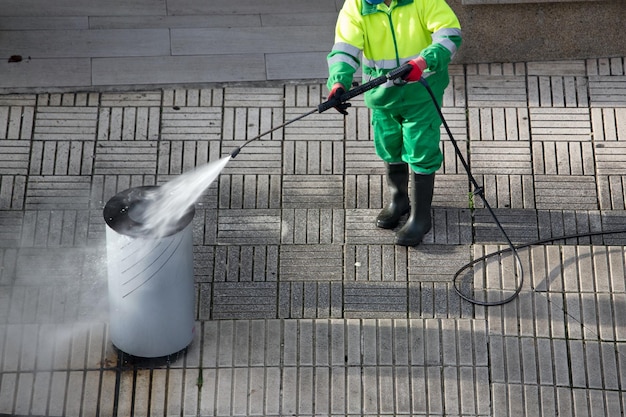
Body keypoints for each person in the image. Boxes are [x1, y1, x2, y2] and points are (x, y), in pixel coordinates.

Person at [326, 0, 461, 246]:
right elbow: (345, 48)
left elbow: (449, 33)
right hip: (382, 96)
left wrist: (424, 61)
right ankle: (399, 200)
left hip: (422, 91)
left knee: (421, 147)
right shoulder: (357, 6)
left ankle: (421, 217)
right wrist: (338, 82)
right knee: (389, 144)